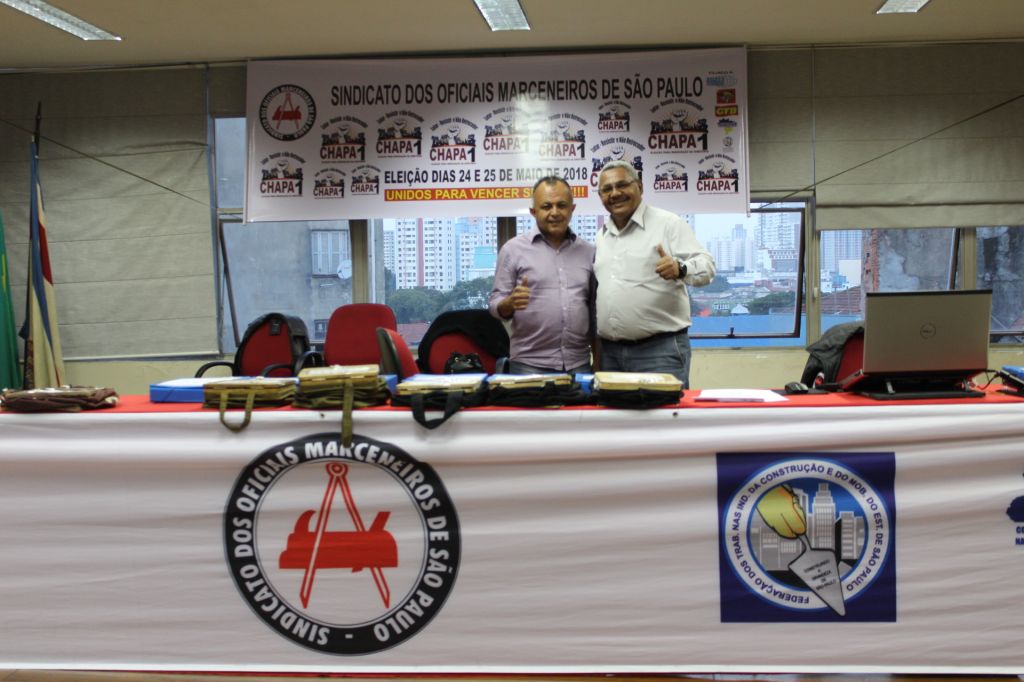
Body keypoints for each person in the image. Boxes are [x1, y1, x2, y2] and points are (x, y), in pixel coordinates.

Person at [593, 160, 715, 387]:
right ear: (600, 196)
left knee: (666, 410)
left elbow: (707, 266)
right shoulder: (602, 235)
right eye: (607, 189)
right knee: (613, 411)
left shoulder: (667, 223)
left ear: (639, 187)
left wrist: (680, 268)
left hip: (660, 352)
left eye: (622, 185)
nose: (615, 193)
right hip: (611, 354)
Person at [488, 176, 595, 374]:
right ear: (533, 211)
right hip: (528, 366)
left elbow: (594, 307)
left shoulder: (589, 252)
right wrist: (508, 304)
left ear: (572, 209)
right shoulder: (512, 250)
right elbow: (495, 304)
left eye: (561, 205)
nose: (555, 212)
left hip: (578, 364)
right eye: (546, 206)